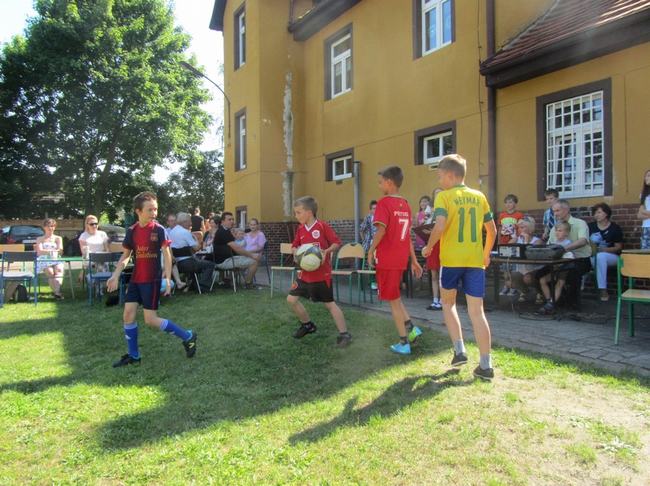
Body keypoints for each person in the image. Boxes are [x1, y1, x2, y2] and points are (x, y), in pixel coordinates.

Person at [422, 154, 497, 381]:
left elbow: (439, 226)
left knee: (448, 303)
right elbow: (492, 230)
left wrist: (428, 247)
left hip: (452, 261)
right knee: (477, 312)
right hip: (475, 261)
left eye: (439, 176)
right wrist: (486, 255)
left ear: (450, 175)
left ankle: (459, 351)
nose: (439, 180)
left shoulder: (444, 196)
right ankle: (486, 365)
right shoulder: (479, 196)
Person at [106, 191, 197, 368]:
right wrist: (115, 275)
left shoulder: (159, 230)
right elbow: (126, 255)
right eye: (150, 210)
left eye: (155, 209)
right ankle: (134, 356)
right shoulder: (132, 231)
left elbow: (168, 255)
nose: (154, 213)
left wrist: (168, 278)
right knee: (128, 315)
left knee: (150, 319)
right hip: (136, 280)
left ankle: (188, 336)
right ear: (138, 211)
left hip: (151, 281)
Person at [367, 166, 423, 355]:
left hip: (387, 258)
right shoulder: (405, 204)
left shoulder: (384, 203)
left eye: (380, 182)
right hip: (400, 258)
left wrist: (370, 250)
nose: (379, 185)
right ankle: (412, 328)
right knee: (395, 296)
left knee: (392, 300)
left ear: (389, 182)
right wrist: (413, 260)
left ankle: (404, 342)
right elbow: (407, 237)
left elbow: (381, 231)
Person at [287, 196, 352, 347]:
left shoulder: (322, 227)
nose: (296, 216)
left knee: (329, 304)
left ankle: (344, 334)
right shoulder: (300, 229)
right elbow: (294, 245)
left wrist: (326, 251)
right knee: (291, 299)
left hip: (322, 275)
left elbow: (336, 243)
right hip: (304, 274)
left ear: (309, 212)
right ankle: (308, 325)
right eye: (295, 213)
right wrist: (295, 252)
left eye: (298, 212)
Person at [545, 199, 592, 309]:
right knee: (540, 273)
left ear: (566, 210)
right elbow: (549, 245)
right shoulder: (555, 227)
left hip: (581, 259)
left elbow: (583, 241)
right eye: (554, 211)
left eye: (557, 211)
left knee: (572, 272)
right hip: (559, 260)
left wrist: (563, 249)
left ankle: (573, 304)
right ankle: (555, 300)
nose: (555, 214)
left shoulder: (580, 223)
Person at [213, 212, 261, 288]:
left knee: (248, 259)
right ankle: (248, 284)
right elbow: (237, 248)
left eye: (232, 219)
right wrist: (252, 255)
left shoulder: (225, 230)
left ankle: (228, 279)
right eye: (229, 220)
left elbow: (237, 248)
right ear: (222, 221)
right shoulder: (223, 232)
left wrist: (248, 254)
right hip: (225, 261)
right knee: (254, 262)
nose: (232, 221)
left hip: (227, 258)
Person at [169, 212, 215, 293]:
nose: (191, 223)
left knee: (198, 262)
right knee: (210, 265)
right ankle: (202, 287)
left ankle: (193, 285)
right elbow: (196, 248)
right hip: (187, 263)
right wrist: (197, 239)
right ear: (184, 222)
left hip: (175, 265)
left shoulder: (171, 232)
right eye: (189, 221)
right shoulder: (185, 232)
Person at [588, 203, 623, 301]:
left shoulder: (615, 228)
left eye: (599, 212)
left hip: (612, 256)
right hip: (593, 255)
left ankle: (602, 289)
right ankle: (578, 289)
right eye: (595, 213)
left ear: (606, 213)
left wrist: (603, 250)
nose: (596, 215)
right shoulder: (590, 227)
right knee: (582, 258)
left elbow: (618, 247)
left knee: (601, 256)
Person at [538, 221, 574, 314]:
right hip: (554, 268)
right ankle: (549, 301)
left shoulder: (568, 243)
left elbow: (569, 257)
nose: (557, 232)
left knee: (560, 283)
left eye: (560, 231)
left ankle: (551, 303)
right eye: (556, 230)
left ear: (566, 233)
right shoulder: (554, 243)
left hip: (565, 267)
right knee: (542, 280)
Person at [509, 216, 544, 302]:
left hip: (534, 269)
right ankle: (524, 291)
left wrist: (526, 241)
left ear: (530, 229)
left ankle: (540, 292)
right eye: (519, 228)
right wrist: (514, 239)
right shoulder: (516, 239)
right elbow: (506, 248)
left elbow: (528, 253)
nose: (520, 230)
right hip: (521, 268)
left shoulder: (537, 241)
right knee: (510, 280)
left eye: (522, 227)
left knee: (527, 278)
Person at [35, 218, 65, 300]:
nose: (50, 228)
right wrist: (51, 251)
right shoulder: (40, 239)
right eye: (48, 226)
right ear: (44, 227)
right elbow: (39, 252)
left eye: (52, 226)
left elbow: (60, 250)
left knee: (59, 270)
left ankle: (57, 292)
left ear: (54, 227)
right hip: (44, 259)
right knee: (50, 272)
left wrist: (53, 252)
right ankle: (57, 292)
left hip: (56, 258)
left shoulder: (58, 238)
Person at [425, 188, 443, 310]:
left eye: (440, 193)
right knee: (434, 274)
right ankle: (435, 300)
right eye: (436, 194)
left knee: (443, 274)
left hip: (443, 244)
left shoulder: (446, 209)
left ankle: (442, 300)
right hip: (432, 245)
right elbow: (425, 226)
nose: (438, 195)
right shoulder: (429, 211)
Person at [359, 200, 378, 290]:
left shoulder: (381, 217)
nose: (375, 210)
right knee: (373, 259)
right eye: (374, 208)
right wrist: (364, 240)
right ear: (370, 210)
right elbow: (361, 229)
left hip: (379, 243)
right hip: (370, 243)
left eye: (377, 208)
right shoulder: (368, 217)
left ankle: (380, 280)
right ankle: (372, 281)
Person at [637, 170, 650, 249]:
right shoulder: (643, 195)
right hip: (646, 227)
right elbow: (639, 214)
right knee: (645, 252)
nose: (648, 178)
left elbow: (643, 212)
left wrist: (645, 213)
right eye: (647, 176)